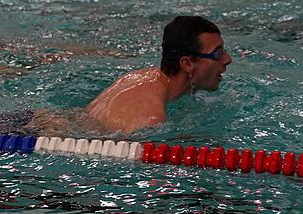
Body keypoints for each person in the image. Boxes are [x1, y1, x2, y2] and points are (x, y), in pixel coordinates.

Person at [85, 16, 232, 133]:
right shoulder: (150, 120)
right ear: (187, 64)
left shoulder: (146, 77)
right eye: (217, 53)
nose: (227, 59)